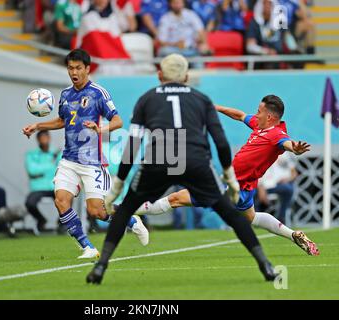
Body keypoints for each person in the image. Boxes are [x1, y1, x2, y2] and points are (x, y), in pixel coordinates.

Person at [86, 53, 279, 284]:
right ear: (187, 76)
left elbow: (134, 142)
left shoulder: (146, 99)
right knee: (229, 212)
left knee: (126, 209)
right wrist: (230, 178)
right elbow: (219, 140)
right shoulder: (201, 99)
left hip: (159, 157)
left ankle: (100, 267)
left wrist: (118, 184)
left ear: (159, 75)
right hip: (195, 159)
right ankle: (265, 265)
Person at [127, 95, 320, 256]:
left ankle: (128, 212)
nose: (256, 113)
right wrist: (215, 107)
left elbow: (288, 144)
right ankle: (294, 235)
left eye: (259, 111)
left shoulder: (276, 135)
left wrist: (295, 149)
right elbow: (240, 115)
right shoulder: (260, 126)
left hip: (233, 186)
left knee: (176, 198)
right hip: (243, 187)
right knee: (251, 218)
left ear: (269, 116)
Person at [22, 49, 149, 259]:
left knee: (97, 212)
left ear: (87, 69)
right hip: (69, 160)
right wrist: (37, 125)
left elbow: (117, 121)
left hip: (92, 162)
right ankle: (87, 247)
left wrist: (101, 129)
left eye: (78, 68)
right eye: (70, 68)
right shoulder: (65, 95)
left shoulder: (98, 93)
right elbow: (62, 121)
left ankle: (132, 221)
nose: (74, 72)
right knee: (61, 201)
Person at [25, 130, 61, 232]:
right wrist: (51, 165)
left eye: (46, 137)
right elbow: (32, 170)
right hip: (38, 188)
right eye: (42, 138)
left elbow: (61, 169)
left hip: (54, 186)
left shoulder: (57, 153)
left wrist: (40, 170)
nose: (44, 140)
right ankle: (41, 220)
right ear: (38, 140)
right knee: (29, 203)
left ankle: (62, 223)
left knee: (67, 199)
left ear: (49, 138)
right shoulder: (31, 154)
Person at [157, 0, 210, 65]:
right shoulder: (165, 18)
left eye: (179, 3)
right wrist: (175, 44)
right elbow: (162, 41)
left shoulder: (191, 14)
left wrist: (203, 43)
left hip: (190, 50)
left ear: (183, 4)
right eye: (175, 3)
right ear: (170, 4)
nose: (177, 5)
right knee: (163, 51)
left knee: (198, 57)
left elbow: (200, 30)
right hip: (173, 51)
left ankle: (199, 74)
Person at [257, 152, 297, 224]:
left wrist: (287, 179)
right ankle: (254, 218)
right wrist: (260, 187)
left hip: (277, 185)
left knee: (288, 189)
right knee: (249, 192)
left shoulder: (285, 154)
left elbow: (294, 173)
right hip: (261, 185)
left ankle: (281, 217)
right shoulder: (261, 152)